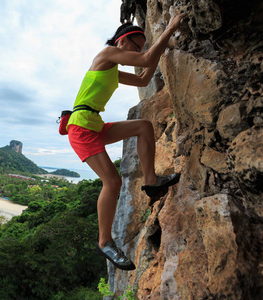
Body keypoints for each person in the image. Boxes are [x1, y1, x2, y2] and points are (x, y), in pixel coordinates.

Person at [66, 13, 185, 270]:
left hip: (94, 124)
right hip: (81, 126)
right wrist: (170, 29)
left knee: (143, 126)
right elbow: (144, 60)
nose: (138, 51)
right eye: (135, 45)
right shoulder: (106, 54)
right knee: (112, 181)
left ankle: (151, 182)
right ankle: (105, 242)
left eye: (141, 47)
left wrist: (160, 50)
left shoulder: (112, 71)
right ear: (122, 41)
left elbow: (143, 78)